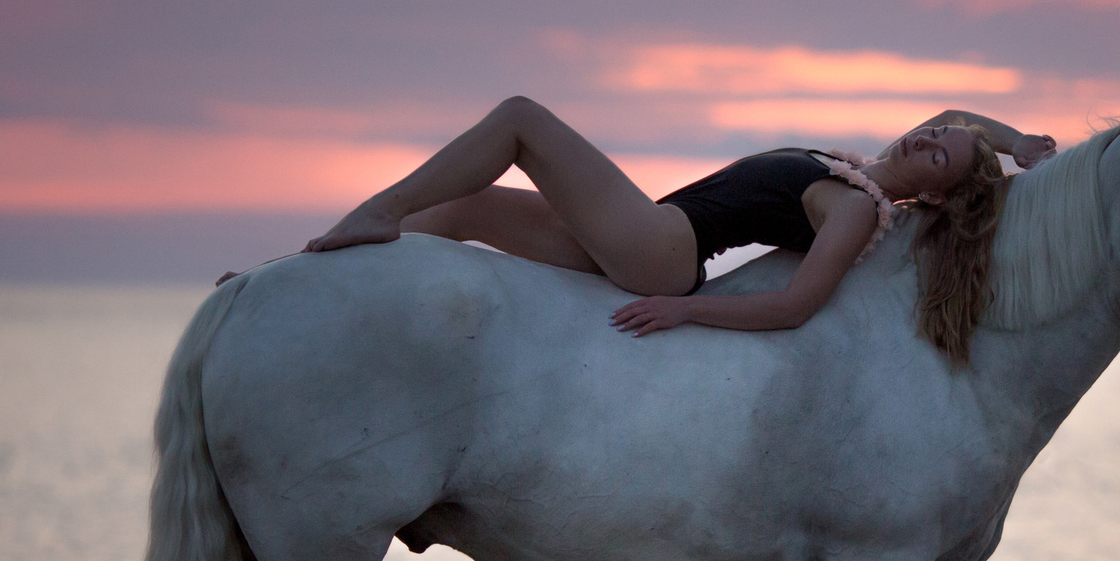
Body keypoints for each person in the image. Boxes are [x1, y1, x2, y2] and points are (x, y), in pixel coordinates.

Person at [302, 97, 1056, 356]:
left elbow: (796, 306)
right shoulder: (858, 166)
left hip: (663, 249)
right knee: (461, 208)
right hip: (646, 231)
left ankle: (378, 210)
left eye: (939, 154)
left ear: (934, 191)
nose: (927, 139)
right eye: (932, 134)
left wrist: (686, 309)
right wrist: (1011, 140)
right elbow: (960, 117)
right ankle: (305, 281)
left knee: (521, 121)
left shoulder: (859, 207)